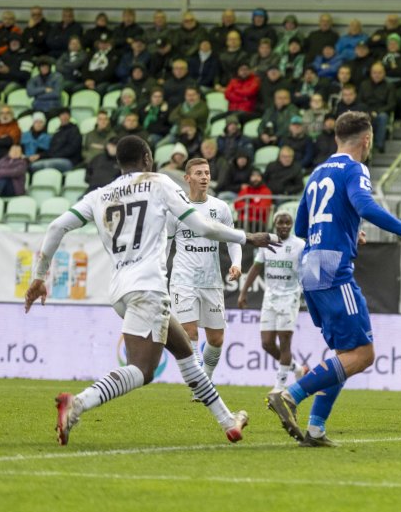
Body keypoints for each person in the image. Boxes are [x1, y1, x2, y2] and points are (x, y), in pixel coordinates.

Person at [26, 135, 275, 445]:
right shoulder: (158, 183)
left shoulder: (99, 195)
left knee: (185, 353)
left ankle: (228, 422)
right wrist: (247, 237)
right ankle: (77, 403)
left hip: (120, 289)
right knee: (143, 370)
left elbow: (56, 227)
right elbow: (203, 227)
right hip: (148, 288)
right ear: (147, 158)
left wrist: (39, 276)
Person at [267, 111, 401, 447]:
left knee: (344, 353)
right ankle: (289, 394)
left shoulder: (317, 172)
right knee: (362, 354)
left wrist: (347, 228)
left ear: (336, 138)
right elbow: (366, 205)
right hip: (333, 265)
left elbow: (301, 227)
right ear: (367, 140)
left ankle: (316, 430)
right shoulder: (354, 169)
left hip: (310, 264)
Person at [165, 158, 242, 383]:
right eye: (199, 173)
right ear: (187, 178)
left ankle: (205, 378)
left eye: (207, 173)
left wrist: (237, 262)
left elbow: (233, 240)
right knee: (189, 333)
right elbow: (166, 246)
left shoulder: (220, 208)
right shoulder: (176, 209)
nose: (204, 177)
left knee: (216, 340)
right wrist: (160, 273)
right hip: (183, 279)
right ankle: (199, 384)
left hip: (211, 281)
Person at [238, 211, 308, 393]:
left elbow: (307, 271)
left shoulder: (300, 245)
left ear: (292, 225)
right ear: (274, 223)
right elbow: (256, 268)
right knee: (267, 343)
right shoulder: (266, 243)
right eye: (280, 222)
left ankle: (280, 385)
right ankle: (297, 368)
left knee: (284, 342)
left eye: (287, 223)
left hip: (290, 297)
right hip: (269, 298)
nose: (284, 226)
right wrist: (243, 292)